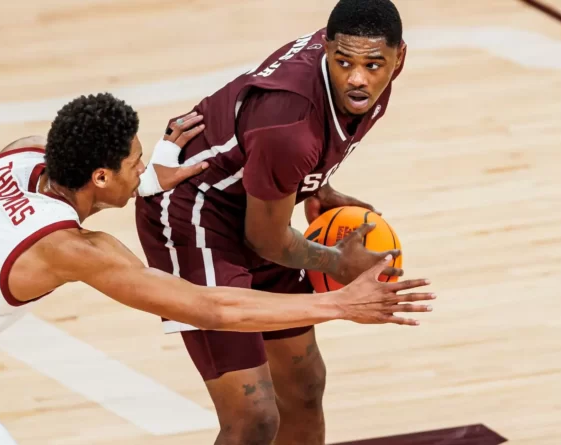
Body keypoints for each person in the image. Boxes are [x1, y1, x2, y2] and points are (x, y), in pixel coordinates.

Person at [0, 92, 432, 445]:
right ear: (98, 176)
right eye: (137, 162)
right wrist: (338, 303)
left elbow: (68, 151)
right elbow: (212, 307)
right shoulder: (71, 249)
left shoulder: (20, 156)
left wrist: (155, 170)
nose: (147, 168)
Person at [135, 1, 410, 444]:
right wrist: (337, 261)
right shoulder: (289, 123)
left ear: (398, 58)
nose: (357, 78)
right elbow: (265, 238)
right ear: (326, 49)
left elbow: (293, 162)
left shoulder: (358, 75)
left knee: (303, 387)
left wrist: (318, 188)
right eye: (344, 63)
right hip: (196, 214)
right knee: (254, 417)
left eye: (372, 65)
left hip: (257, 204)